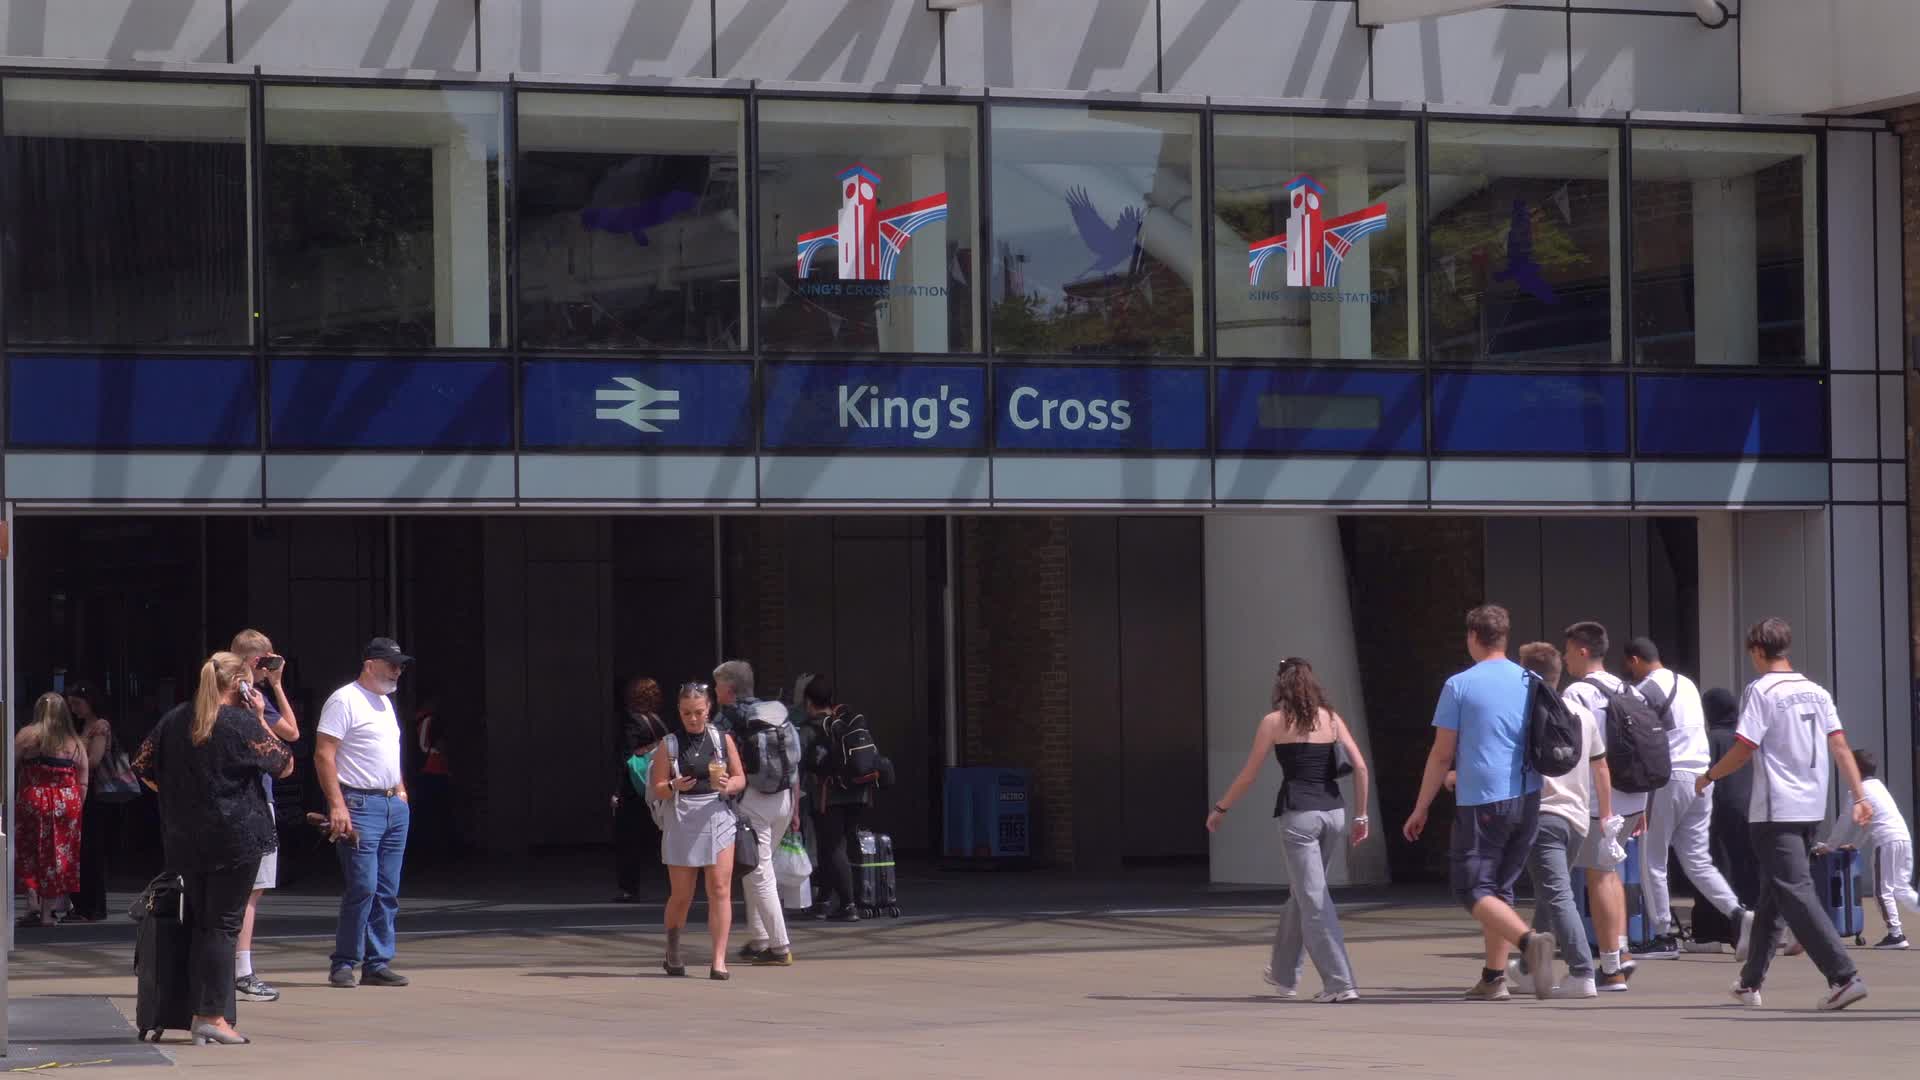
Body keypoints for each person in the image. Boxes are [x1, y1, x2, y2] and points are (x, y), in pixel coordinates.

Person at [1700, 616, 1872, 1011]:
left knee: (1794, 891)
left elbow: (1744, 748)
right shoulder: (1816, 691)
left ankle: (1843, 976)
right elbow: (1841, 747)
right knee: (1773, 894)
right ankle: (1749, 982)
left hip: (1775, 808)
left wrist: (1709, 775)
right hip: (1811, 805)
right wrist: (1859, 795)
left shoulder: (1761, 690)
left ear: (1759, 651)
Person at [132, 652, 294, 1046]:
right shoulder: (240, 723)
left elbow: (141, 764)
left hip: (188, 839)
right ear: (240, 684)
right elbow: (284, 763)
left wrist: (176, 794)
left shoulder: (176, 719)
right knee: (223, 925)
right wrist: (259, 716)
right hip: (236, 837)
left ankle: (199, 1010)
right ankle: (211, 1015)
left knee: (202, 922)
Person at [1404, 604, 1557, 1002]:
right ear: (1504, 637)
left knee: (1471, 886)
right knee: (1499, 887)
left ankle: (1529, 941)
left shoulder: (1461, 685)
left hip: (1484, 799)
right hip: (1529, 796)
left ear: (1473, 636)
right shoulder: (1532, 679)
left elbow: (1441, 754)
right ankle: (1493, 978)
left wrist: (1421, 806)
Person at [1206, 657, 1368, 1003]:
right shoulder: (1332, 718)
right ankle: (1283, 975)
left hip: (1299, 818)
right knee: (1305, 893)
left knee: (1313, 900)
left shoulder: (1274, 722)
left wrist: (1221, 808)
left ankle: (1341, 983)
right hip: (1335, 814)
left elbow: (1249, 774)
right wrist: (1362, 816)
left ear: (1281, 684)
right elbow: (1361, 767)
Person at [1621, 637, 1750, 959]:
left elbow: (1636, 736)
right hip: (1701, 777)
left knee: (1653, 859)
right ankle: (1737, 913)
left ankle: (1663, 935)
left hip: (1670, 777)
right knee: (1696, 858)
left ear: (1635, 660)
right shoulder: (1688, 685)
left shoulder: (1646, 689)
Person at [1508, 643, 1610, 999]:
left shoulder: (1524, 712)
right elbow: (1601, 766)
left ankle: (1582, 972)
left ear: (1527, 675)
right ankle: (1527, 968)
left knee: (1558, 894)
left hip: (1543, 816)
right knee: (1549, 894)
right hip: (1577, 820)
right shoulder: (1581, 713)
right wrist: (1606, 813)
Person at [315, 638, 414, 990]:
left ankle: (377, 962)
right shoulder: (345, 699)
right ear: (371, 664)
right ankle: (344, 961)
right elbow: (324, 753)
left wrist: (400, 790)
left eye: (400, 665)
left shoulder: (385, 703)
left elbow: (388, 753)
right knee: (363, 886)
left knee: (387, 888)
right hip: (360, 804)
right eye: (392, 664)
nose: (397, 670)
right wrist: (337, 804)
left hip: (391, 804)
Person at [1560, 621, 1641, 991]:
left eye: (1566, 652)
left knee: (1599, 876)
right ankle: (1621, 951)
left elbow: (1577, 751)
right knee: (1611, 872)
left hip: (1600, 799)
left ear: (1580, 650)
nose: (1564, 660)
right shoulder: (1627, 688)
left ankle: (1611, 969)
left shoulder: (1578, 692)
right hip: (1634, 797)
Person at [650, 681, 744, 979]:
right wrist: (673, 786)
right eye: (687, 713)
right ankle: (673, 949)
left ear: (709, 710)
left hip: (716, 813)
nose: (693, 718)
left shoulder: (721, 739)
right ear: (679, 712)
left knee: (719, 889)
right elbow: (658, 790)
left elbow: (741, 777)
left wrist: (731, 784)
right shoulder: (670, 744)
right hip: (683, 817)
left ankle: (718, 959)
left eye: (699, 712)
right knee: (682, 894)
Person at [227, 630, 299, 1004]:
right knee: (251, 891)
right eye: (268, 661)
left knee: (227, 889)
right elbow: (290, 734)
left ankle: (222, 967)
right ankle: (242, 970)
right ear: (257, 662)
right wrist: (277, 686)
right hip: (255, 801)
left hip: (222, 803)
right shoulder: (251, 698)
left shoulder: (219, 696)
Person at [715, 659, 800, 968]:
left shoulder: (730, 719)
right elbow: (795, 764)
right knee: (755, 867)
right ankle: (760, 939)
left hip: (753, 799)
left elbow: (715, 755)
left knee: (760, 871)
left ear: (729, 689)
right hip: (783, 798)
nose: (714, 692)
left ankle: (779, 946)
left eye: (717, 686)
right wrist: (796, 807)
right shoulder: (775, 714)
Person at [1814, 750, 1918, 950]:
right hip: (1902, 838)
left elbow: (1845, 822)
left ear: (1856, 769)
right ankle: (1896, 934)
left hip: (1886, 841)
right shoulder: (1878, 787)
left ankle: (1896, 935)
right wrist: (1856, 844)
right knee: (1902, 889)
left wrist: (1829, 846)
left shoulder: (1857, 791)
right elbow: (1869, 821)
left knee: (1882, 891)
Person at [800, 675, 876, 922]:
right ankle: (823, 900)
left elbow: (799, 762)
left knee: (833, 848)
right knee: (833, 846)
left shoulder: (811, 728)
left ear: (809, 702)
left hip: (828, 795)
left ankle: (848, 904)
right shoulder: (844, 723)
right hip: (857, 792)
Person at [14, 692, 89, 929]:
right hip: (66, 803)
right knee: (57, 858)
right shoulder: (74, 742)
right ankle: (48, 913)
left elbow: (9, 765)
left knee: (28, 852)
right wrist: (77, 805)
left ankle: (32, 904)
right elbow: (84, 777)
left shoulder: (26, 736)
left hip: (33, 799)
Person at [1691, 687, 1758, 950]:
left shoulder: (1711, 739)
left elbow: (1705, 777)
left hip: (1718, 813)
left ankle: (1715, 930)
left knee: (1715, 867)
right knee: (1747, 870)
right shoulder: (1746, 740)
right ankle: (1756, 926)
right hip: (1751, 811)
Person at [611, 676, 669, 903]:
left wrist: (616, 791)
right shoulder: (657, 721)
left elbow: (626, 757)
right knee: (658, 833)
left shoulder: (632, 721)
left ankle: (629, 888)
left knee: (627, 839)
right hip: (654, 784)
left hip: (634, 787)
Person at [64, 682, 116, 924]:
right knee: (79, 850)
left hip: (94, 795)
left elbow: (94, 760)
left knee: (91, 850)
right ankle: (80, 903)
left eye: (77, 704)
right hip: (78, 791)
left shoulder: (99, 726)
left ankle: (93, 906)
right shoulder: (79, 726)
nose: (74, 709)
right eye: (71, 704)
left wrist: (73, 753)